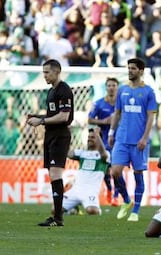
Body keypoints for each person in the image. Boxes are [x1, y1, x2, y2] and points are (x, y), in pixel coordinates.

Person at [108, 58, 158, 222]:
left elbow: (151, 117)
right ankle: (126, 201)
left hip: (139, 141)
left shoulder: (149, 92)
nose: (130, 71)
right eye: (128, 68)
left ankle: (135, 210)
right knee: (115, 171)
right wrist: (111, 133)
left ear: (141, 71)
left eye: (133, 68)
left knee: (138, 174)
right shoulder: (122, 90)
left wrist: (145, 138)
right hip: (122, 139)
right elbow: (117, 113)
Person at [27, 59, 74, 227]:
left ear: (57, 71)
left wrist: (41, 121)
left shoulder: (64, 90)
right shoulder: (51, 91)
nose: (44, 75)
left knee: (55, 174)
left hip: (60, 136)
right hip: (50, 135)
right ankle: (56, 215)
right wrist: (38, 117)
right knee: (52, 175)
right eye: (43, 72)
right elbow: (51, 115)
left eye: (47, 72)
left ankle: (58, 217)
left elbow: (63, 117)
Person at [62, 128, 109, 215]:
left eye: (93, 137)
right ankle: (74, 209)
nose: (89, 139)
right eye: (89, 137)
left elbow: (104, 156)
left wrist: (97, 134)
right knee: (55, 210)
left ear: (99, 140)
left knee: (92, 211)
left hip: (90, 191)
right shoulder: (82, 153)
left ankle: (97, 210)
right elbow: (68, 153)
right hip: (76, 189)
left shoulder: (104, 154)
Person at [88, 77, 119, 206]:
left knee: (117, 170)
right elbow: (89, 119)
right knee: (106, 169)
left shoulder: (121, 103)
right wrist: (103, 121)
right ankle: (109, 190)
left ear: (117, 87)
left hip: (119, 141)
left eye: (114, 85)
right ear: (106, 88)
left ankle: (116, 196)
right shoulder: (99, 103)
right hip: (105, 142)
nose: (111, 88)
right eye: (109, 85)